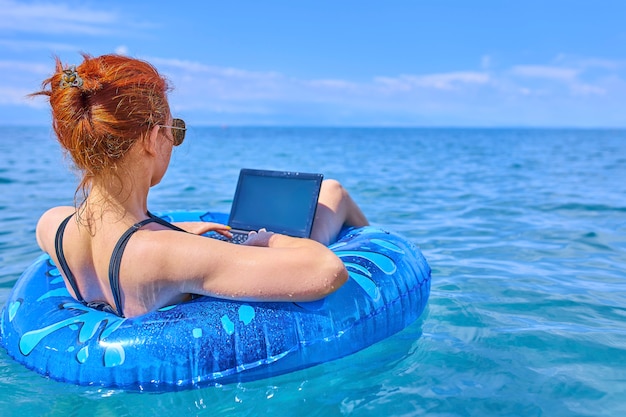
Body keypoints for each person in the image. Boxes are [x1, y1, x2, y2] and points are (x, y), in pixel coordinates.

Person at [32, 54, 369, 318]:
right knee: (333, 193)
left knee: (333, 193)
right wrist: (268, 240)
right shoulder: (165, 254)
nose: (173, 142)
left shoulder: (53, 226)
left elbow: (115, 236)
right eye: (174, 130)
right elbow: (328, 270)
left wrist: (176, 230)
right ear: (151, 139)